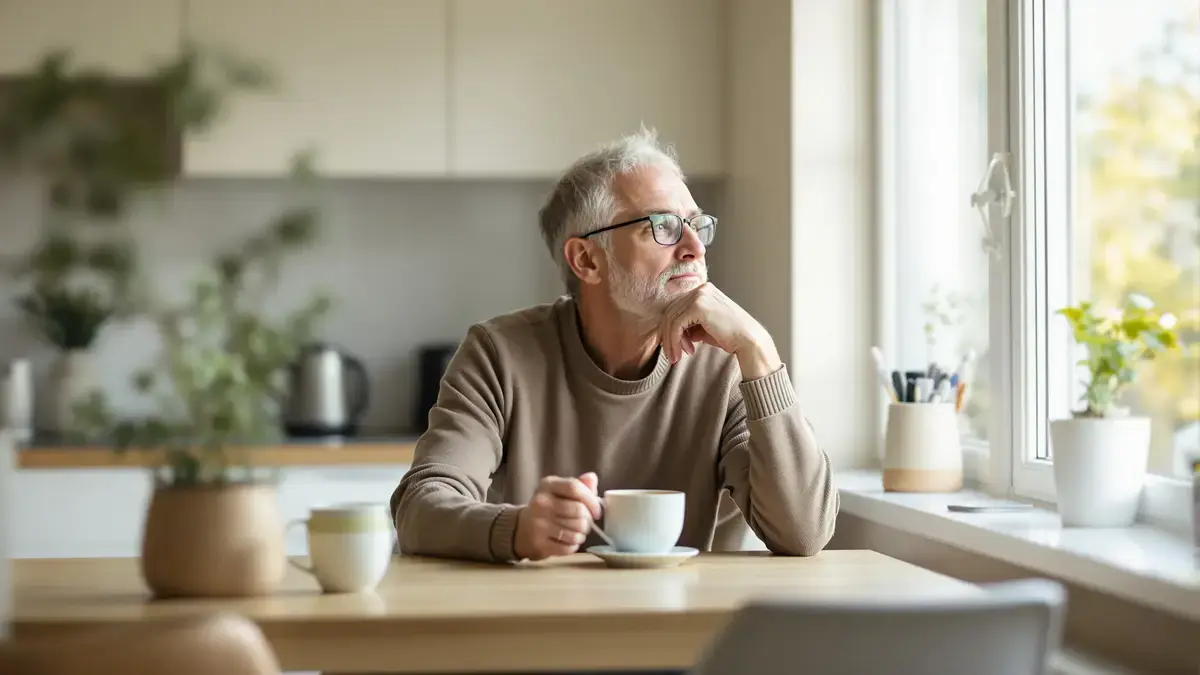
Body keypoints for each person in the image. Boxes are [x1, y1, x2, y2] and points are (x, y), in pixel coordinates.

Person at [390, 129, 838, 563]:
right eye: (663, 226)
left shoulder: (727, 366)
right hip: (532, 625)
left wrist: (760, 352)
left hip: (681, 626)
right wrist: (517, 529)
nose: (694, 247)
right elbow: (419, 508)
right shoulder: (499, 354)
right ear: (587, 260)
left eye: (697, 225)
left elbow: (804, 533)